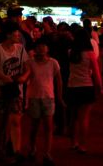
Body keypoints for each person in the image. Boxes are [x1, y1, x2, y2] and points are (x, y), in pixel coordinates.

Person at [0, 20, 30, 162]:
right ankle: (0, 150)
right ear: (8, 35)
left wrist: (23, 77)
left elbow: (28, 67)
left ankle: (16, 151)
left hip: (15, 91)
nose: (18, 36)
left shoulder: (21, 49)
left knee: (16, 120)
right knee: (1, 123)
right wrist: (4, 77)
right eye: (16, 34)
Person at [24, 38, 64, 166]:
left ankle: (47, 152)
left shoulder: (53, 63)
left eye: (43, 46)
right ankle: (32, 149)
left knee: (48, 127)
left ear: (47, 49)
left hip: (48, 97)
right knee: (34, 127)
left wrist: (59, 97)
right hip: (34, 97)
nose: (41, 49)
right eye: (39, 46)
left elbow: (59, 81)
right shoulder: (29, 63)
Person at [66, 28, 102, 153]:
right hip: (86, 86)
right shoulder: (90, 54)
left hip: (72, 86)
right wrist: (100, 87)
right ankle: (82, 144)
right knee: (84, 118)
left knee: (73, 117)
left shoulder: (70, 52)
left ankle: (73, 142)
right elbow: (96, 73)